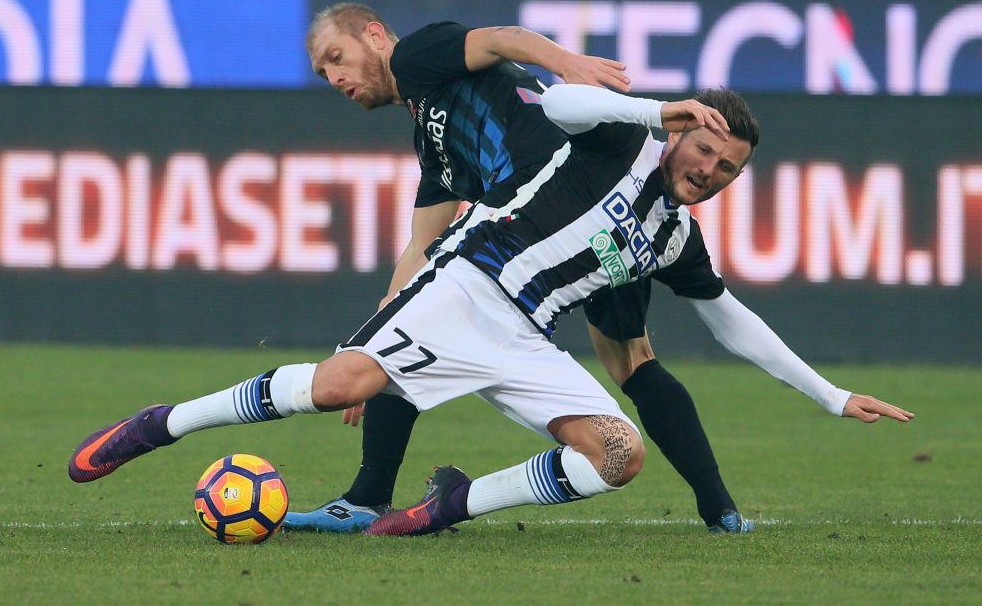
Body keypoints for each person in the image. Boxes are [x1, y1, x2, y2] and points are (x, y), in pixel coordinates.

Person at [68, 83, 913, 538]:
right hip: (467, 287)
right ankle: (161, 423)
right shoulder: (622, 138)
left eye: (727, 169)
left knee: (617, 457)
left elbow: (733, 321)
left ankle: (454, 502)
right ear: (683, 133)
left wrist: (832, 395)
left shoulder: (673, 235)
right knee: (335, 387)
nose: (710, 171)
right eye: (704, 149)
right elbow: (563, 105)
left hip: (525, 339)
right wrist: (652, 110)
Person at [287, 2, 755, 535]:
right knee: (630, 360)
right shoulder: (434, 140)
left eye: (336, 58)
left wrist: (566, 63)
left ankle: (369, 497)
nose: (335, 77)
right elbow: (420, 247)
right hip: (557, 227)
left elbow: (500, 37)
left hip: (577, 195)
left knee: (626, 358)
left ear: (374, 35)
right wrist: (364, 350)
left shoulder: (416, 56)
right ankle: (720, 511)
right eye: (324, 73)